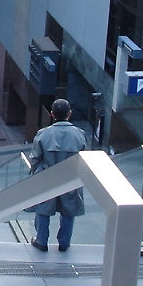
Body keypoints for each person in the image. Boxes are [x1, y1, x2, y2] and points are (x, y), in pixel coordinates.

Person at [29, 98, 88, 252]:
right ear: (69, 114)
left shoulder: (43, 134)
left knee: (43, 208)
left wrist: (34, 173)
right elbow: (84, 158)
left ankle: (41, 241)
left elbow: (35, 158)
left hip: (47, 175)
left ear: (52, 114)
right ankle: (64, 242)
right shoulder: (79, 134)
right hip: (70, 177)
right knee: (69, 210)